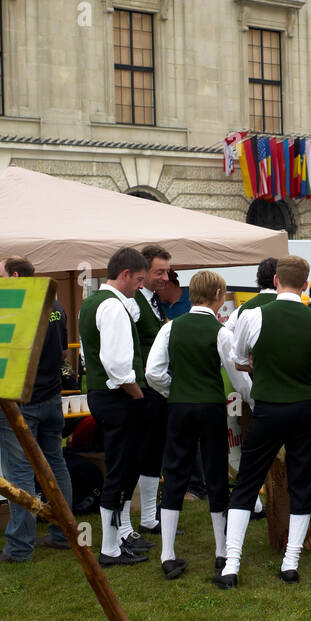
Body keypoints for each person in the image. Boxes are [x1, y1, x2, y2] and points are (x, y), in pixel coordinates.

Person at [216, 256, 311, 587]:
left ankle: (232, 564)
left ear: (276, 282)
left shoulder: (252, 314)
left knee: (248, 482)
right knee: (302, 482)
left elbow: (239, 361)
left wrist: (261, 365)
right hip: (305, 408)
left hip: (267, 408)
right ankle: (290, 561)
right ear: (306, 285)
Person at [145, 271, 251, 579]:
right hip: (210, 407)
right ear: (219, 295)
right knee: (215, 472)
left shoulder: (170, 328)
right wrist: (255, 401)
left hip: (179, 407)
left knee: (175, 471)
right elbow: (238, 375)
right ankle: (221, 551)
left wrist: (173, 391)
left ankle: (167, 554)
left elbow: (153, 372)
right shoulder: (220, 332)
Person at [0, 255, 76, 562]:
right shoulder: (56, 305)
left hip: (20, 403)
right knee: (55, 465)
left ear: (14, 276)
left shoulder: (14, 309)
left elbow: (0, 357)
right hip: (51, 399)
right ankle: (64, 534)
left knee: (20, 473)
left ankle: (19, 547)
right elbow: (64, 351)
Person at [78, 247, 151, 567]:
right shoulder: (112, 308)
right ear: (124, 275)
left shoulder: (94, 302)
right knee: (120, 470)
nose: (140, 286)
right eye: (138, 280)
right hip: (117, 397)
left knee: (122, 467)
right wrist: (138, 396)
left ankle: (118, 537)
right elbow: (118, 365)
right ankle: (109, 547)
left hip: (103, 393)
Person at [131, 244, 171, 534]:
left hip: (155, 388)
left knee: (154, 452)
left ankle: (149, 517)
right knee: (144, 452)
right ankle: (144, 517)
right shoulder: (134, 304)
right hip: (144, 389)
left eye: (167, 272)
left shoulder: (153, 301)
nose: (165, 278)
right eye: (160, 271)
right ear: (143, 272)